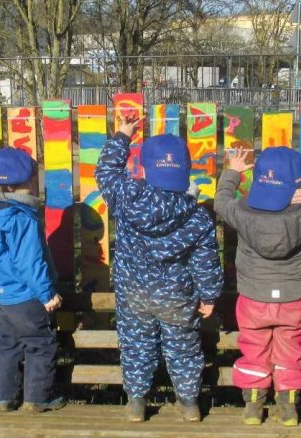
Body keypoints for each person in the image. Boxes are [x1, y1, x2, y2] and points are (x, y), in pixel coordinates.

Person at [95, 115, 223, 423]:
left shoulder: (127, 198)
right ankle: (189, 403)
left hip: (134, 294)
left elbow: (106, 173)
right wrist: (209, 295)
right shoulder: (197, 215)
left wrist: (122, 136)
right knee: (184, 349)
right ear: (185, 168)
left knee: (136, 346)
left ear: (146, 168)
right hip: (177, 297)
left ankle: (137, 403)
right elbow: (205, 260)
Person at [215, 147, 301, 426]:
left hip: (253, 299)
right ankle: (288, 406)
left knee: (254, 347)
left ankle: (254, 405)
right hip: (293, 298)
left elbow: (221, 201)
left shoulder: (242, 211)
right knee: (291, 349)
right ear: (298, 181)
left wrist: (233, 171)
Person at [0, 147, 66, 413]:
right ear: (12, 188)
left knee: (7, 345)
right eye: (32, 181)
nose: (35, 186)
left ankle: (3, 398)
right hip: (27, 298)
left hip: (1, 297)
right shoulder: (21, 219)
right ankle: (37, 399)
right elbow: (29, 262)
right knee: (41, 344)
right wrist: (46, 294)